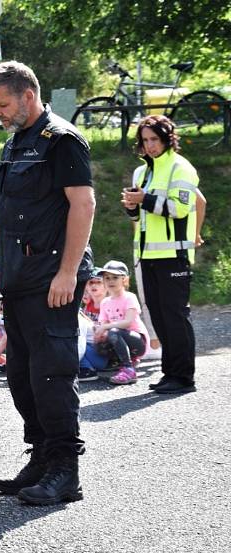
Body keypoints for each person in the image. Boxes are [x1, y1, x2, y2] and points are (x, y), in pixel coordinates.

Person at [0, 61, 95, 505]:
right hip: (18, 277)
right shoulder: (18, 141)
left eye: (3, 105)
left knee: (52, 375)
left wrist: (68, 272)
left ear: (28, 95)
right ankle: (42, 457)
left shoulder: (62, 140)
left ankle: (65, 471)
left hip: (52, 279)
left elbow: (83, 206)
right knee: (22, 377)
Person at [121, 114, 200, 395]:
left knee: (175, 316)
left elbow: (180, 209)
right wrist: (132, 205)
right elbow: (139, 217)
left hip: (174, 255)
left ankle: (183, 377)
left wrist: (145, 199)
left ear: (167, 139)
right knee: (159, 316)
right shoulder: (141, 172)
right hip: (147, 255)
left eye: (154, 139)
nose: (150, 145)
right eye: (145, 140)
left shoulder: (182, 168)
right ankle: (171, 373)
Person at [93, 260, 148, 385]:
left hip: (137, 341)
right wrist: (99, 332)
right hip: (117, 336)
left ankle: (128, 368)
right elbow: (103, 324)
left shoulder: (129, 297)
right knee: (98, 344)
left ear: (124, 280)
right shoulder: (105, 302)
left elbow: (128, 323)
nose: (110, 281)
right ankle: (117, 363)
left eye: (115, 277)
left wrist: (106, 327)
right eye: (107, 278)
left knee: (113, 332)